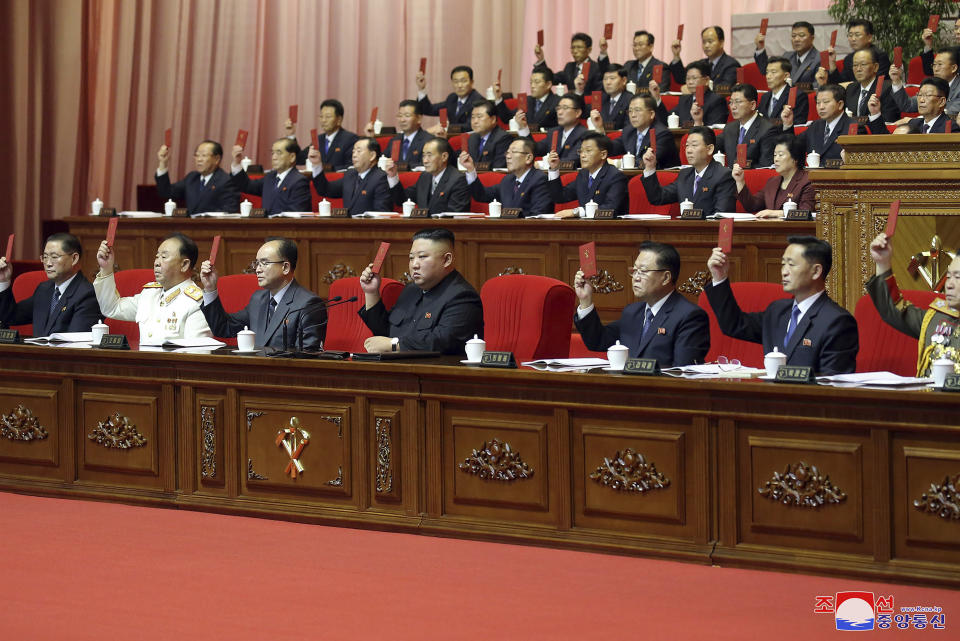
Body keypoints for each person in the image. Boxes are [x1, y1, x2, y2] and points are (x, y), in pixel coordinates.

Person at [704, 235, 858, 374]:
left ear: (816, 271)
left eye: (791, 265)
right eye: (783, 264)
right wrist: (719, 277)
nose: (784, 271)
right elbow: (734, 324)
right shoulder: (778, 311)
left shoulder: (836, 322)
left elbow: (833, 384)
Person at [573, 241, 709, 366]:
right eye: (634, 271)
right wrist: (585, 300)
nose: (636, 278)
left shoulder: (689, 316)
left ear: (666, 277)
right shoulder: (632, 312)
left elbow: (682, 372)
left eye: (643, 271)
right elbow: (598, 341)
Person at [358, 228, 482, 355]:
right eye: (411, 258)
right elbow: (385, 333)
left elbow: (443, 342)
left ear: (447, 260)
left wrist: (394, 345)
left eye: (422, 257)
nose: (414, 265)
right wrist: (371, 292)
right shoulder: (411, 290)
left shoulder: (462, 297)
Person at [199, 238, 325, 350]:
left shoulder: (309, 304)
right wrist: (210, 288)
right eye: (257, 263)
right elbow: (224, 327)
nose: (258, 269)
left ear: (285, 267)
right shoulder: (258, 299)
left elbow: (305, 357)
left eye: (264, 263)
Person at [867, 232, 960, 377]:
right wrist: (883, 263)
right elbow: (894, 310)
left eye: (957, 277)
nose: (949, 284)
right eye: (948, 277)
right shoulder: (936, 318)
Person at [93, 233, 212, 344]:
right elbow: (112, 308)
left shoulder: (197, 302)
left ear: (184, 265)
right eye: (157, 257)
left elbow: (197, 353)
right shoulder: (149, 294)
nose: (156, 263)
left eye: (164, 257)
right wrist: (106, 268)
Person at [0, 233, 99, 335]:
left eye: (54, 257)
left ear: (74, 259)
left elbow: (76, 343)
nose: (48, 263)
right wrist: (3, 280)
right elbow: (10, 316)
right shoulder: (44, 289)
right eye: (45, 257)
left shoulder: (87, 294)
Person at [640, 126, 736, 216]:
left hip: (710, 232)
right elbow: (658, 197)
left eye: (694, 145)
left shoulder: (723, 176)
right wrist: (650, 168)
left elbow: (722, 215)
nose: (689, 150)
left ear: (710, 149)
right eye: (687, 146)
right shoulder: (685, 175)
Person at [463, 138, 552, 218]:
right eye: (507, 152)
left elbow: (538, 215)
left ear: (528, 158)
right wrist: (471, 170)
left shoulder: (540, 180)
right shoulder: (508, 180)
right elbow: (481, 195)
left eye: (513, 152)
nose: (508, 156)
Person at [546, 132, 628, 218]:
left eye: (588, 151)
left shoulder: (616, 177)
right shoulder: (583, 174)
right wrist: (554, 169)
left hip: (611, 228)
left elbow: (610, 208)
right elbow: (560, 197)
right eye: (581, 151)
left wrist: (576, 212)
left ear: (603, 154)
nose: (582, 155)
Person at [780, 84, 869, 161]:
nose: (821, 107)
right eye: (818, 103)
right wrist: (787, 125)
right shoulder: (815, 126)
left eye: (826, 102)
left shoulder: (854, 127)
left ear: (840, 104)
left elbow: (862, 161)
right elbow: (793, 148)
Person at [733, 135, 815, 218]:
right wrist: (740, 181)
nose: (776, 159)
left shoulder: (807, 181)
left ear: (795, 158)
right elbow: (752, 205)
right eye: (775, 155)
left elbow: (806, 212)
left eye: (780, 155)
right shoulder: (772, 182)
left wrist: (776, 213)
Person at [310, 138, 392, 217]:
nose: (354, 155)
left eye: (359, 151)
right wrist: (317, 164)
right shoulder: (350, 175)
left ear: (372, 155)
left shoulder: (380, 178)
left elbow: (382, 213)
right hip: (347, 228)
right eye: (353, 151)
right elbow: (324, 189)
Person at [386, 138, 470, 215]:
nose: (425, 161)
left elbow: (453, 215)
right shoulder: (425, 176)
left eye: (429, 155)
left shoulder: (458, 180)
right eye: (423, 155)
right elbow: (403, 199)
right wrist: (393, 177)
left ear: (444, 157)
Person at [155, 140, 240, 216]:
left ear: (217, 159)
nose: (199, 159)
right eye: (197, 155)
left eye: (203, 155)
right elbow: (166, 192)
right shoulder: (192, 178)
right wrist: (163, 163)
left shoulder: (226, 181)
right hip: (190, 228)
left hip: (213, 229)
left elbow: (229, 211)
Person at [231, 138, 311, 216]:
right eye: (272, 153)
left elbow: (295, 213)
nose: (274, 157)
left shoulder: (299, 181)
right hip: (266, 228)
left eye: (279, 153)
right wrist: (237, 163)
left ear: (292, 157)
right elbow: (247, 185)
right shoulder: (270, 177)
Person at [598, 94, 680, 168]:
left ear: (651, 114)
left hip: (660, 179)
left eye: (637, 110)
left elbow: (648, 160)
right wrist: (600, 129)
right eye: (630, 111)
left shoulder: (662, 134)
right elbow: (611, 148)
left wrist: (618, 163)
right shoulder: (629, 131)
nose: (633, 115)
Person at [518, 93, 588, 166]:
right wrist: (523, 128)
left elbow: (572, 161)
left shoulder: (584, 135)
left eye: (565, 108)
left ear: (578, 113)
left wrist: (543, 164)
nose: (559, 112)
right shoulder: (554, 132)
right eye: (558, 108)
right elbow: (535, 149)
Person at [834, 47, 900, 123]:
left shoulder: (887, 88)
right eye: (855, 65)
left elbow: (889, 120)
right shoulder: (851, 88)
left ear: (875, 67)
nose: (858, 69)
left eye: (863, 64)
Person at [717, 83, 777, 168]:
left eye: (738, 102)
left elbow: (765, 166)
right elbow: (711, 146)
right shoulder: (730, 128)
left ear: (752, 105)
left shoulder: (767, 130)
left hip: (751, 179)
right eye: (731, 102)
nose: (733, 107)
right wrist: (698, 122)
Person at [653, 61, 728, 127]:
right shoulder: (684, 99)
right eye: (688, 78)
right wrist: (657, 98)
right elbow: (668, 120)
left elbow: (715, 129)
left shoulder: (716, 100)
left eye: (694, 78)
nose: (690, 82)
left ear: (706, 80)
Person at [289, 99, 358, 169]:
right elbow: (299, 159)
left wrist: (327, 168)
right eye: (321, 116)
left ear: (339, 120)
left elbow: (352, 166)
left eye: (328, 117)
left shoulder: (350, 139)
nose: (323, 120)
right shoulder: (319, 139)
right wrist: (291, 135)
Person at [890, 48, 960, 117]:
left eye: (940, 64)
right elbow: (907, 105)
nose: (935, 69)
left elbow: (952, 114)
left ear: (954, 68)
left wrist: (914, 121)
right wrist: (896, 81)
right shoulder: (932, 85)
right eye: (934, 65)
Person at [669, 25, 741, 90]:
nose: (706, 45)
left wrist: (699, 89)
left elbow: (726, 88)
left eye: (710, 42)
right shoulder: (701, 64)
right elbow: (681, 78)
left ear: (721, 43)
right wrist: (676, 56)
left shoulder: (731, 65)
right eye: (704, 42)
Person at [533, 32, 607, 93]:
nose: (575, 51)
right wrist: (541, 59)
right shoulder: (569, 67)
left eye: (579, 47)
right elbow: (551, 78)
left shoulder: (596, 68)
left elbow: (599, 93)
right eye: (573, 47)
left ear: (589, 50)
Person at [417, 65, 484, 131]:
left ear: (472, 82)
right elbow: (429, 110)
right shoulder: (452, 98)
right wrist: (422, 89)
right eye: (456, 81)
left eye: (463, 81)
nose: (459, 85)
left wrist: (446, 128)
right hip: (450, 138)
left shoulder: (479, 101)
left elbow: (470, 126)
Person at [754, 21, 820, 88]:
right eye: (793, 36)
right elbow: (765, 70)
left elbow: (818, 85)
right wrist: (760, 48)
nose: (796, 39)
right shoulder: (787, 56)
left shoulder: (819, 58)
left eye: (802, 35)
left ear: (812, 38)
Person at [370, 100, 432, 168]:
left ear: (419, 118)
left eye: (407, 116)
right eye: (400, 116)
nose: (402, 120)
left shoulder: (429, 140)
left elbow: (428, 165)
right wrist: (370, 137)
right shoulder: (395, 140)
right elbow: (380, 159)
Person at [494, 67, 559, 132]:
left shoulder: (557, 102)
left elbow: (561, 128)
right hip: (526, 140)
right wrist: (498, 98)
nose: (532, 86)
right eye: (531, 82)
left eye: (537, 82)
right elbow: (507, 118)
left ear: (548, 84)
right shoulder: (527, 100)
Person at [826, 19, 891, 84]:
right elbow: (841, 84)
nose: (853, 39)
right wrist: (832, 64)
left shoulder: (880, 56)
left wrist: (851, 85)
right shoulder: (849, 59)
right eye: (850, 35)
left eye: (857, 35)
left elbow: (879, 83)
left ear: (869, 37)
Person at [758, 57, 809, 123]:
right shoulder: (765, 97)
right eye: (767, 72)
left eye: (773, 72)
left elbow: (797, 123)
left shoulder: (797, 96)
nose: (768, 76)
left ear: (786, 76)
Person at [464, 101, 512, 170]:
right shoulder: (472, 138)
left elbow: (498, 167)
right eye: (473, 117)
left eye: (479, 117)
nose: (475, 121)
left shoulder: (503, 138)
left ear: (493, 119)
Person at [620, 30, 670, 95]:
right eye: (635, 45)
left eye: (640, 45)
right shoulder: (628, 66)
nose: (637, 48)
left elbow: (660, 91)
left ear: (651, 47)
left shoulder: (659, 67)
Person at [596, 64, 633, 130]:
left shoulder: (631, 100)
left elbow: (629, 127)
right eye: (605, 79)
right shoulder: (601, 99)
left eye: (612, 78)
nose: (608, 82)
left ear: (624, 80)